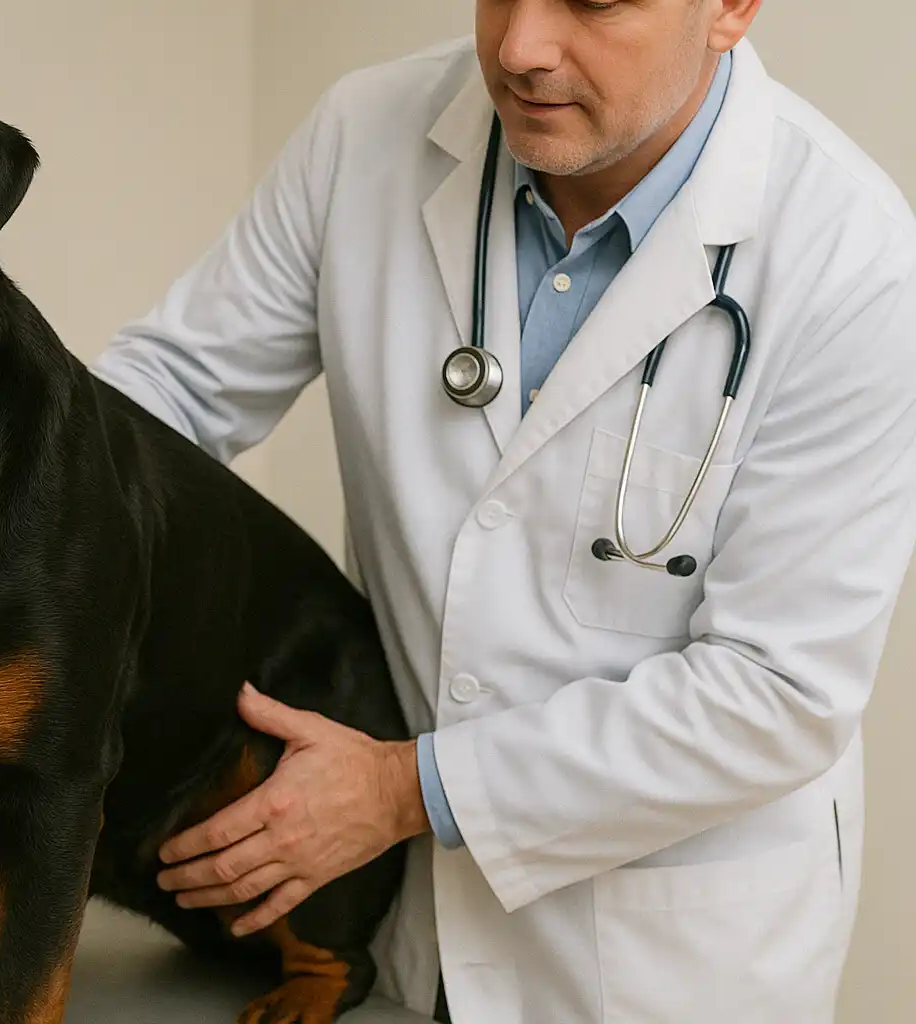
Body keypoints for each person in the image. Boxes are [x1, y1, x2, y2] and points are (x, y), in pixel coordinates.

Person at [89, 1, 916, 1021]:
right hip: (406, 935)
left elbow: (775, 691)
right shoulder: (366, 132)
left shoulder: (853, 258)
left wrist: (401, 790)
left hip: (669, 963)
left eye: (595, 0)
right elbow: (162, 398)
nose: (519, 48)